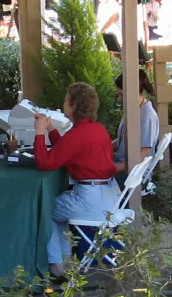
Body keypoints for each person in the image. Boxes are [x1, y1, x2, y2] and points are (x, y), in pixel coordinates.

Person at [34, 82, 119, 278]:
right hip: (109, 196)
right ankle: (66, 260)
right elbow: (66, 150)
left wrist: (39, 132)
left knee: (46, 210)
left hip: (90, 200)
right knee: (59, 209)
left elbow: (45, 162)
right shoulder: (97, 129)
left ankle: (56, 264)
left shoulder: (78, 134)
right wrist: (51, 129)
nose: (63, 103)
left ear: (74, 105)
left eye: (66, 100)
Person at [114, 69, 160, 172]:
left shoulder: (147, 116)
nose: (119, 98)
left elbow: (143, 155)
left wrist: (113, 169)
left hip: (134, 175)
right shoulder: (133, 109)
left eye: (122, 95)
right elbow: (123, 140)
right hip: (123, 166)